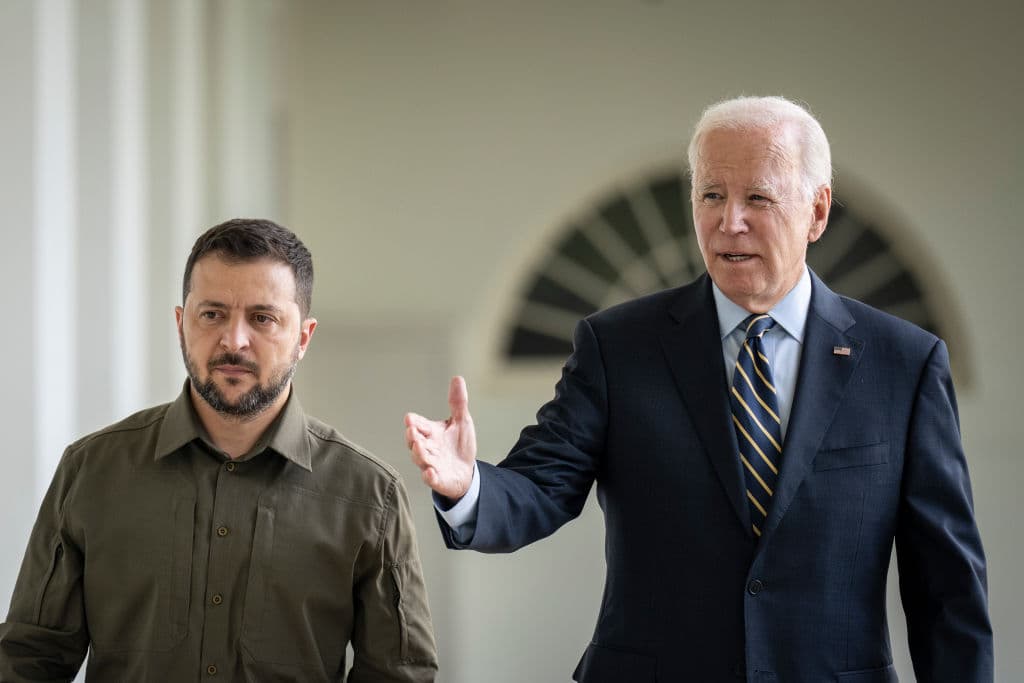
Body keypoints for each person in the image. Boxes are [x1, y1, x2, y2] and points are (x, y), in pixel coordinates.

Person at [405, 97, 992, 682]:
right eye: (712, 195)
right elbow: (542, 486)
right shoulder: (618, 347)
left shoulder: (903, 364)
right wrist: (470, 487)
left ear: (817, 211)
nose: (728, 221)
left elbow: (947, 588)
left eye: (757, 198)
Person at [1, 219, 438, 682]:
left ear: (303, 337)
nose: (234, 340)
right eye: (212, 314)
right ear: (180, 324)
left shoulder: (371, 496)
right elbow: (30, 661)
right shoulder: (90, 471)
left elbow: (399, 675)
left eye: (262, 318)